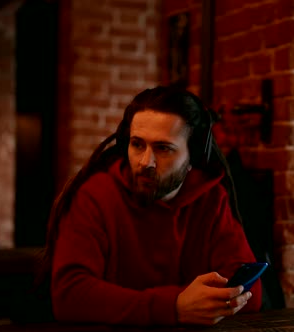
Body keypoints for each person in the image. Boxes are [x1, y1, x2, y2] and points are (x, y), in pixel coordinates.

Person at [35, 86, 262, 326]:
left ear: (193, 157)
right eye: (137, 144)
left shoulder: (211, 198)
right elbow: (69, 296)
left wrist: (194, 303)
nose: (146, 162)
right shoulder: (95, 195)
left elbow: (251, 293)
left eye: (163, 148)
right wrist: (173, 306)